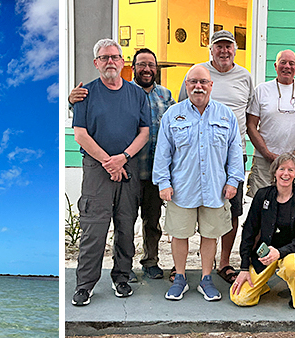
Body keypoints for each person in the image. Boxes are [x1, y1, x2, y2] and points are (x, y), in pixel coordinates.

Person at [69, 48, 176, 281]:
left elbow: (175, 127)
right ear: (133, 67)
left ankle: (149, 262)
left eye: (151, 65)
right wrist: (71, 100)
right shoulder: (123, 90)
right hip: (127, 168)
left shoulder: (166, 96)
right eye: (141, 65)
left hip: (155, 169)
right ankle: (119, 272)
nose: (147, 69)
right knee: (123, 220)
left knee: (151, 219)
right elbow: (87, 116)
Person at [154, 64, 244, 301]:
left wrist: (233, 180)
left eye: (203, 82)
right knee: (179, 234)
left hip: (215, 188)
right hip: (182, 188)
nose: (198, 86)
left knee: (210, 234)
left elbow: (235, 151)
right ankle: (180, 277)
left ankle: (206, 279)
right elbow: (162, 152)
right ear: (186, 85)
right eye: (193, 81)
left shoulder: (226, 116)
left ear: (211, 85)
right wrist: (163, 182)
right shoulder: (173, 115)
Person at [70, 38, 150, 306]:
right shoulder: (85, 94)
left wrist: (123, 157)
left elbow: (144, 132)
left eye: (115, 57)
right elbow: (80, 134)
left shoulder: (137, 94)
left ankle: (122, 278)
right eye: (104, 58)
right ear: (96, 63)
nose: (110, 62)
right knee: (94, 228)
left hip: (128, 167)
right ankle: (85, 285)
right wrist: (108, 161)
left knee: (126, 226)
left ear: (123, 61)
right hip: (97, 168)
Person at [177, 29, 254, 284]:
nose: (224, 51)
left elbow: (251, 116)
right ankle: (184, 269)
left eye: (228, 46)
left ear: (235, 49)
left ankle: (223, 263)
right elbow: (181, 109)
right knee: (191, 208)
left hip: (233, 153)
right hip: (196, 156)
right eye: (218, 46)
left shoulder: (245, 77)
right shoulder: (198, 73)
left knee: (230, 209)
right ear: (211, 49)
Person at [230, 153, 295, 309]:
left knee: (293, 268)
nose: (286, 174)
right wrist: (244, 268)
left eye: (290, 170)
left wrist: (280, 252)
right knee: (239, 297)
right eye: (281, 169)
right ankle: (262, 287)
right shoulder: (263, 195)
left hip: (291, 253)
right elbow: (249, 231)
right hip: (264, 253)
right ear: (275, 172)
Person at [246, 49, 295, 196]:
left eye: (291, 63)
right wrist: (266, 153)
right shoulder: (262, 90)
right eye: (283, 62)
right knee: (261, 202)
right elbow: (251, 125)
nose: (287, 67)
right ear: (275, 66)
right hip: (264, 161)